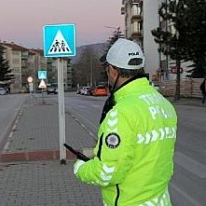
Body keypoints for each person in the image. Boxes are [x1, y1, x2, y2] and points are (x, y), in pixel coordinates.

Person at [73, 38, 177, 206]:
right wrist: (98, 151)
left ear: (113, 71)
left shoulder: (121, 113)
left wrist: (80, 167)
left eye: (107, 70)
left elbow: (107, 173)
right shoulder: (164, 104)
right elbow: (142, 149)